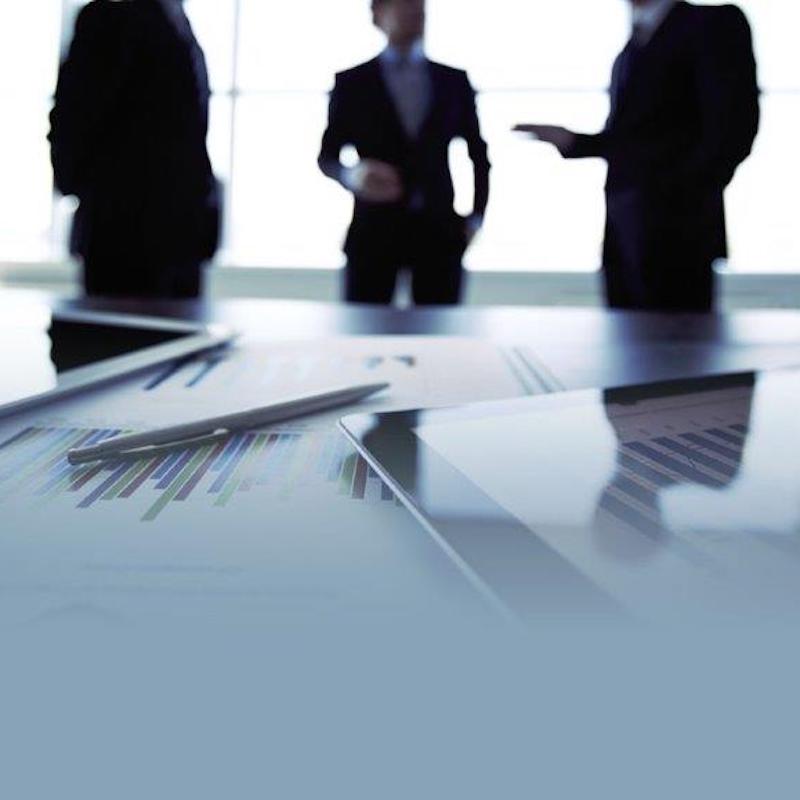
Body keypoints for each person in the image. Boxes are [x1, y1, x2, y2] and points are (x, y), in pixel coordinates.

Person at [515, 0, 760, 312]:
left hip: (680, 229)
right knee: (627, 339)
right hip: (623, 225)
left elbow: (733, 127)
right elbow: (634, 138)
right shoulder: (630, 47)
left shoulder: (712, 22)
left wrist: (684, 199)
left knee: (683, 345)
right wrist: (573, 142)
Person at [318, 0, 490, 305]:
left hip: (439, 233)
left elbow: (479, 156)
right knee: (364, 335)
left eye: (420, 5)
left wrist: (476, 217)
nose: (416, 11)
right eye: (405, 4)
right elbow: (327, 157)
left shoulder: (453, 81)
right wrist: (354, 175)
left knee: (440, 340)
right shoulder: (352, 82)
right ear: (377, 15)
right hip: (373, 231)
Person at [49, 0, 221, 299]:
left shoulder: (180, 23)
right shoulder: (110, 18)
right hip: (124, 231)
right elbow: (73, 117)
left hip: (185, 234)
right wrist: (88, 193)